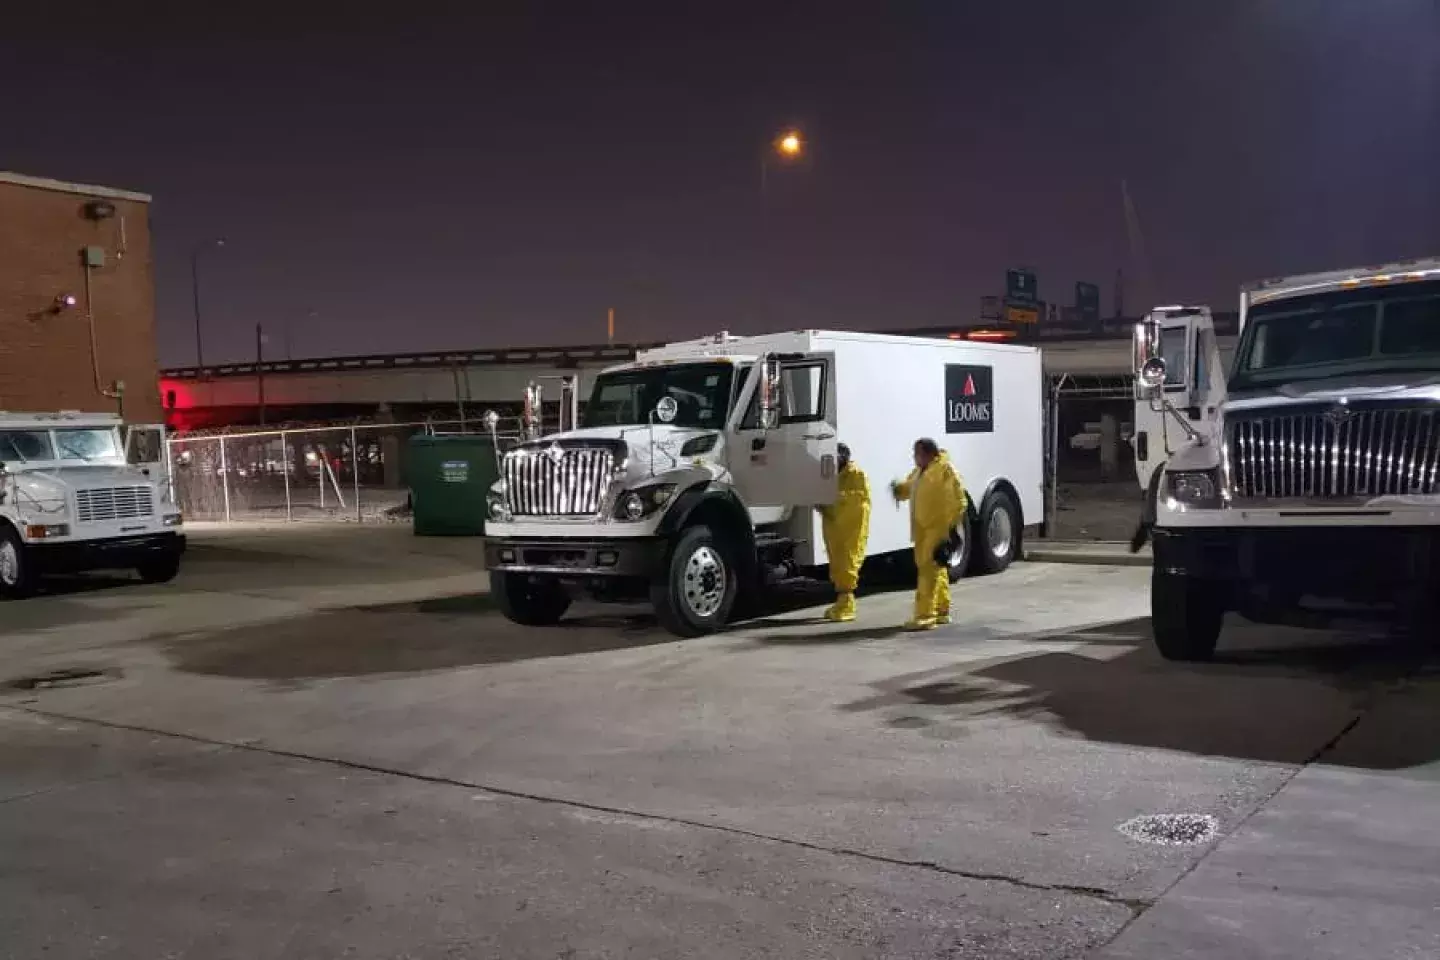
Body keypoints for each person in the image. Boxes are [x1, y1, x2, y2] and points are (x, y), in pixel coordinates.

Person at [890, 438, 968, 630]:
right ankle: (941, 610)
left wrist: (951, 527)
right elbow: (910, 488)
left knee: (926, 569)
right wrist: (899, 490)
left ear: (929, 454)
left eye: (917, 453)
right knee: (936, 568)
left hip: (937, 527)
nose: (914, 457)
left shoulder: (945, 471)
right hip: (922, 528)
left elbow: (960, 500)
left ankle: (925, 615)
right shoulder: (919, 473)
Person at [817, 443, 871, 622]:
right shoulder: (835, 476)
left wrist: (830, 501)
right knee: (837, 561)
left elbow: (857, 501)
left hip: (850, 529)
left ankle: (848, 604)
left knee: (847, 562)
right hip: (835, 528)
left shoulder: (856, 474)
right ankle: (841, 601)